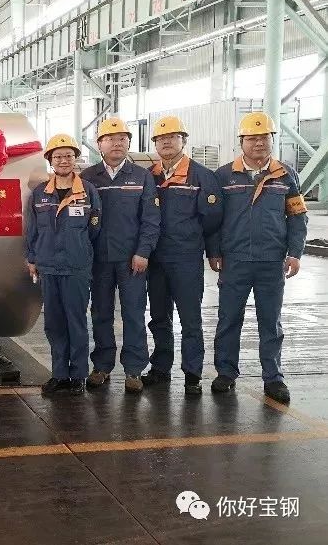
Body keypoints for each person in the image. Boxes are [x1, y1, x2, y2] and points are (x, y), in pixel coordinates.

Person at [208, 112, 308, 404]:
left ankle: (273, 378)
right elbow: (213, 220)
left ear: (272, 140)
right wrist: (214, 251)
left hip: (271, 261)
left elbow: (297, 217)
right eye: (252, 138)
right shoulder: (223, 176)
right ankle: (226, 372)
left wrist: (295, 253)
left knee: (271, 321)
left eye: (264, 137)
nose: (259, 143)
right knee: (228, 319)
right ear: (241, 142)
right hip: (235, 260)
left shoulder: (286, 175)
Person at [143, 116, 223, 397]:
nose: (166, 142)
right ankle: (160, 367)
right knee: (158, 317)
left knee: (190, 319)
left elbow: (212, 219)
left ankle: (192, 373)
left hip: (186, 258)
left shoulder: (201, 176)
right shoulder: (149, 176)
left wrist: (211, 251)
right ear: (155, 144)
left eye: (172, 137)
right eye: (161, 138)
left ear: (183, 140)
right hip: (156, 259)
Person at [80, 117, 161, 394]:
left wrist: (143, 252)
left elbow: (151, 219)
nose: (117, 143)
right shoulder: (88, 178)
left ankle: (134, 369)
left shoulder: (141, 176)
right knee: (100, 312)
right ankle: (102, 365)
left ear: (129, 143)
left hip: (131, 260)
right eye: (110, 139)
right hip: (99, 259)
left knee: (134, 313)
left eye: (123, 139)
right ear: (99, 144)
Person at [26, 134, 101, 396]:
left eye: (68, 155)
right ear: (50, 160)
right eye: (57, 156)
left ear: (75, 159)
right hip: (48, 267)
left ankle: (78, 375)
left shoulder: (88, 191)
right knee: (54, 323)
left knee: (76, 322)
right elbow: (33, 231)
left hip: (76, 268)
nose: (63, 160)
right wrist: (32, 258)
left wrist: (79, 250)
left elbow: (94, 229)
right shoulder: (40, 194)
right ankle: (59, 374)